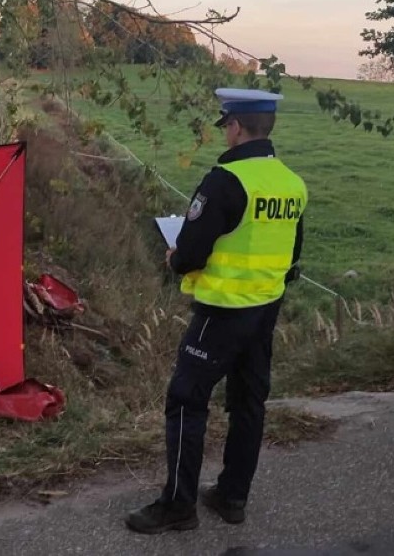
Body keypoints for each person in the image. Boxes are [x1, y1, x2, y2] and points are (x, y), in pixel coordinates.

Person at [125, 88, 307, 534]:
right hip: (265, 312)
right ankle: (232, 496)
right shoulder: (291, 183)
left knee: (186, 400)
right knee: (248, 403)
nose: (226, 131)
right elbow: (292, 253)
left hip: (221, 313)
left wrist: (174, 257)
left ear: (237, 127)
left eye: (226, 124)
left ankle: (178, 505)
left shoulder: (225, 182)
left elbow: (189, 255)